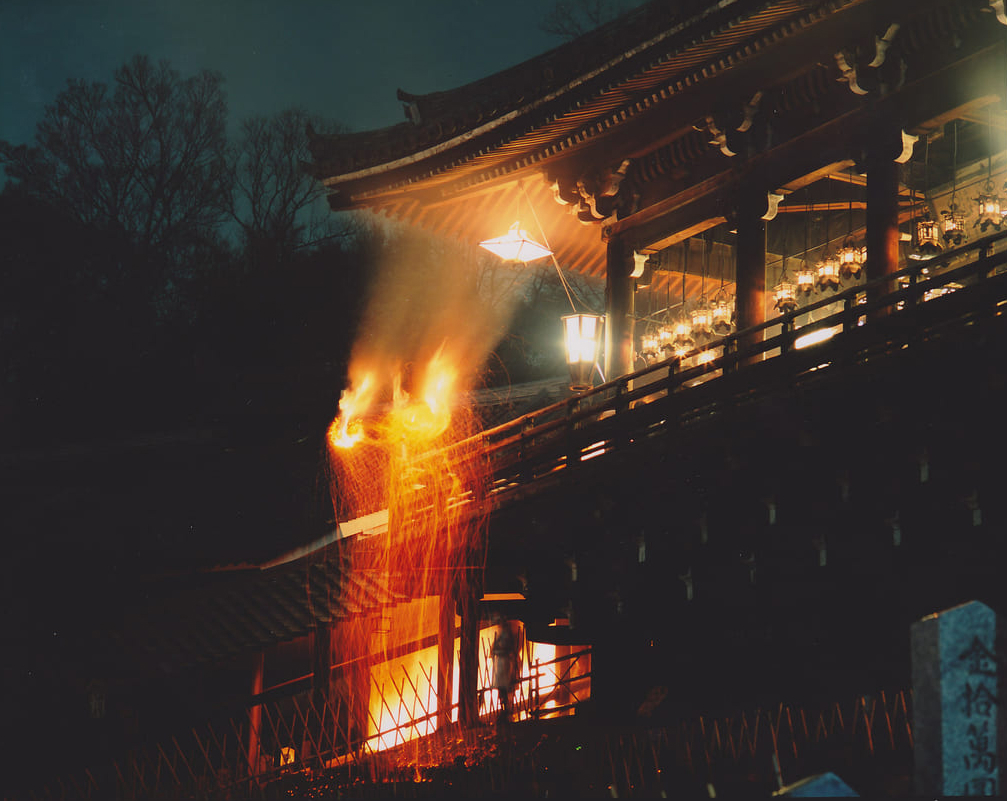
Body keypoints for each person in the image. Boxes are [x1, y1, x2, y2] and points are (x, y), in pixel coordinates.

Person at [490, 613, 518, 723]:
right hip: (502, 665)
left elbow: (499, 649)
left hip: (506, 664)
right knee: (503, 688)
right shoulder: (503, 636)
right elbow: (494, 648)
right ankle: (504, 708)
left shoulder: (506, 636)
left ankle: (506, 708)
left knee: (505, 688)